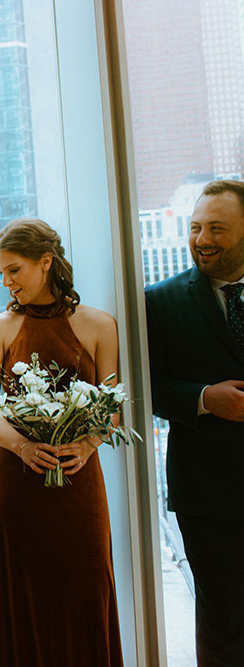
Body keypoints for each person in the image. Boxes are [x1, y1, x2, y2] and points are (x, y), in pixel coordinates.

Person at [0, 218, 123, 666]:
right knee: (21, 596)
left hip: (78, 481)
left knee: (84, 588)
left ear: (46, 262)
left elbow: (112, 405)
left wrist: (88, 444)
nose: (6, 282)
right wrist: (21, 447)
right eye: (0, 272)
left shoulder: (99, 324)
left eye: (14, 269)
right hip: (14, 483)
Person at [145, 179, 244, 666]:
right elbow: (148, 388)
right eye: (196, 228)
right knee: (223, 619)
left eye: (217, 228)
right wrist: (205, 399)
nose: (202, 239)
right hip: (208, 495)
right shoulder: (160, 303)